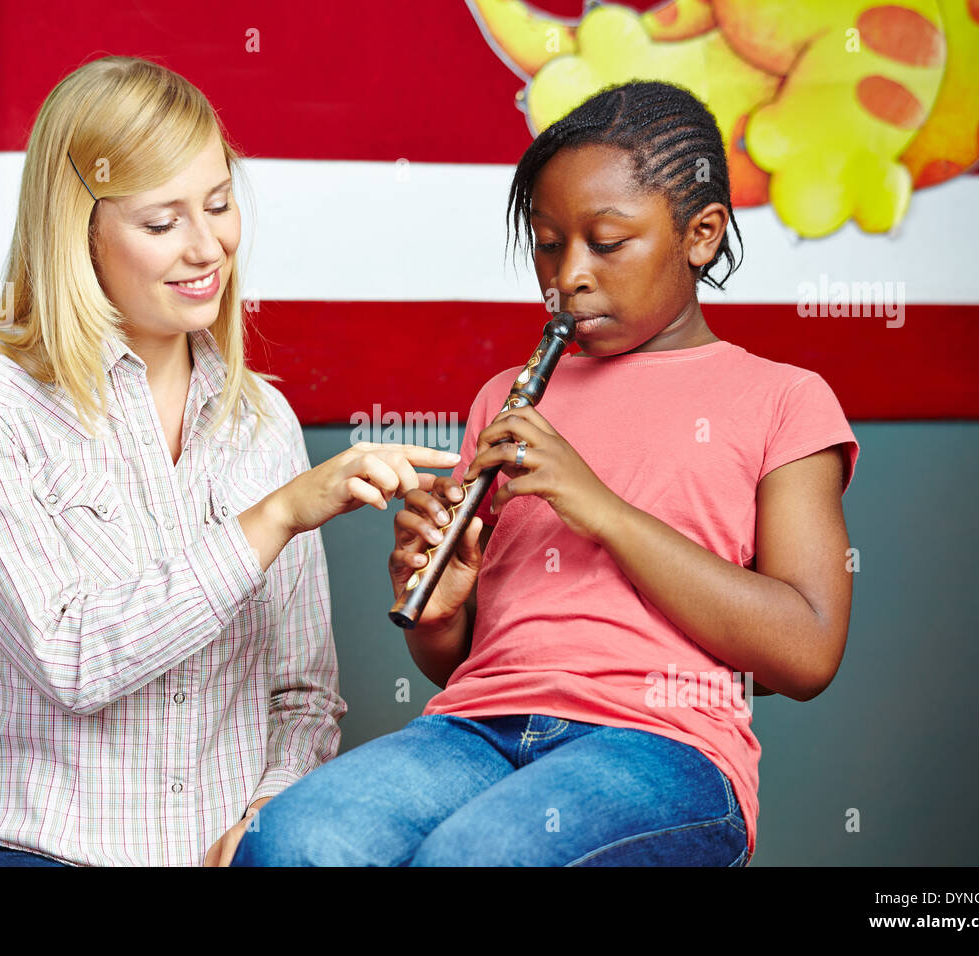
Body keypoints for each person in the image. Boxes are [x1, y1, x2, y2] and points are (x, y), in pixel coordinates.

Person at [231, 79, 860, 866]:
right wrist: (441, 610)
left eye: (607, 241)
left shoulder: (784, 400)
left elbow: (807, 651)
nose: (569, 274)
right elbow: (457, 660)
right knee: (290, 842)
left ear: (700, 235)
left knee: (475, 858)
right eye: (548, 242)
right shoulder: (507, 396)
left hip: (662, 748)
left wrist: (601, 508)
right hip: (477, 726)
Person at [0, 56, 458, 867]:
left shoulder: (261, 420)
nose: (207, 248)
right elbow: (72, 659)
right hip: (26, 847)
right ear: (78, 229)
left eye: (221, 204)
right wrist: (272, 518)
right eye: (161, 223)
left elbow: (302, 698)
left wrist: (270, 818)